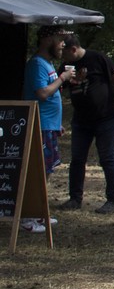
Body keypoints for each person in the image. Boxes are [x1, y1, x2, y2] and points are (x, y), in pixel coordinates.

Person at [59, 34, 114, 214]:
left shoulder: (98, 58)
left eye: (64, 52)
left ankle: (113, 200)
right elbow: (58, 87)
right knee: (77, 159)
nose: (62, 56)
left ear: (73, 49)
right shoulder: (67, 67)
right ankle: (75, 198)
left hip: (105, 118)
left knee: (107, 158)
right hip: (81, 120)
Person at [21, 25, 69, 232]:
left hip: (48, 126)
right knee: (36, 172)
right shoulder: (37, 64)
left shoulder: (47, 64)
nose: (63, 44)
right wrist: (62, 79)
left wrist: (56, 123)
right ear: (47, 39)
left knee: (46, 171)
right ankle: (26, 218)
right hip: (37, 126)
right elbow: (42, 93)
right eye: (60, 39)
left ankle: (39, 213)